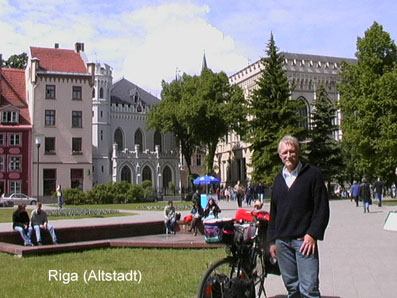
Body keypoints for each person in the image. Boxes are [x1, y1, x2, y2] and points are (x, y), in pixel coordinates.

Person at [268, 135, 330, 298]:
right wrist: (272, 241)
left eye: (292, 151)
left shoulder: (312, 175)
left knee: (309, 289)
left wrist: (312, 234)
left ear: (298, 152)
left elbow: (322, 209)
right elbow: (273, 213)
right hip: (282, 243)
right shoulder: (278, 180)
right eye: (285, 152)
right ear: (280, 155)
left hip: (304, 241)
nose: (288, 155)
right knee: (293, 289)